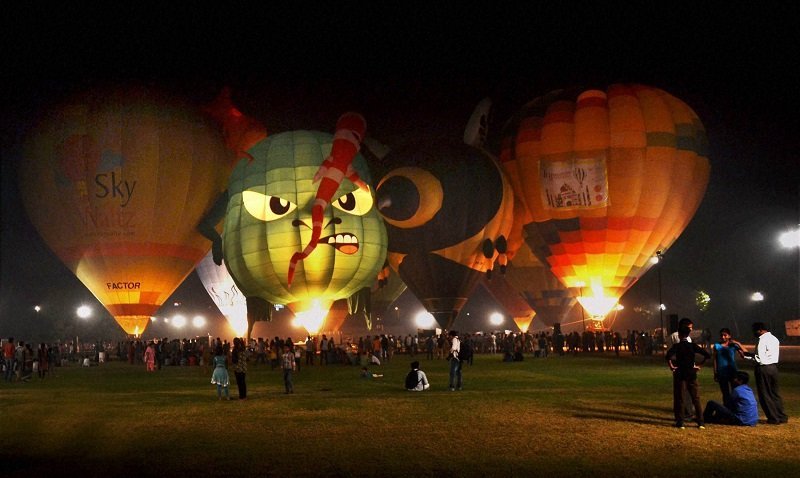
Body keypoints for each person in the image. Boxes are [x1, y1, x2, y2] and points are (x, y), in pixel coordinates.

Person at [738, 322, 788, 424]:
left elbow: (759, 358)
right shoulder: (774, 339)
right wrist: (747, 355)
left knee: (764, 394)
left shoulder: (761, 340)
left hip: (763, 368)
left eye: (754, 331)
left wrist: (746, 356)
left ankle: (773, 418)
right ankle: (781, 416)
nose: (753, 333)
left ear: (760, 330)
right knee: (774, 393)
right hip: (773, 368)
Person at [665, 324, 711, 429]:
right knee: (696, 398)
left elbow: (668, 356)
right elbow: (707, 355)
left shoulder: (677, 346)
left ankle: (680, 423)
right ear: (688, 334)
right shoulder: (692, 345)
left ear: (679, 335)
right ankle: (701, 422)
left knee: (681, 398)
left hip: (680, 374)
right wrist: (699, 365)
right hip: (692, 374)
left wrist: (672, 366)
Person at [711, 328, 741, 405]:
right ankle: (727, 409)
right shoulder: (717, 346)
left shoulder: (733, 345)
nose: (723, 337)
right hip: (721, 372)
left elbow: (743, 354)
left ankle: (735, 409)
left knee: (735, 391)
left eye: (725, 335)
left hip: (732, 371)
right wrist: (715, 372)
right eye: (721, 335)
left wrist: (737, 344)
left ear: (729, 336)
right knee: (725, 393)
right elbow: (714, 360)